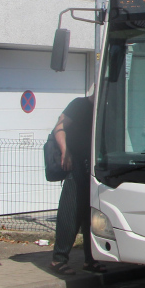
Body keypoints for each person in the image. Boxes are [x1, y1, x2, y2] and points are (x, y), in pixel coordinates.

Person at [50, 95, 102, 275]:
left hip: (95, 167)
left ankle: (91, 259)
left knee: (92, 215)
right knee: (70, 212)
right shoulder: (79, 105)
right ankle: (58, 259)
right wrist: (65, 152)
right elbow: (59, 128)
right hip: (76, 165)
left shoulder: (106, 105)